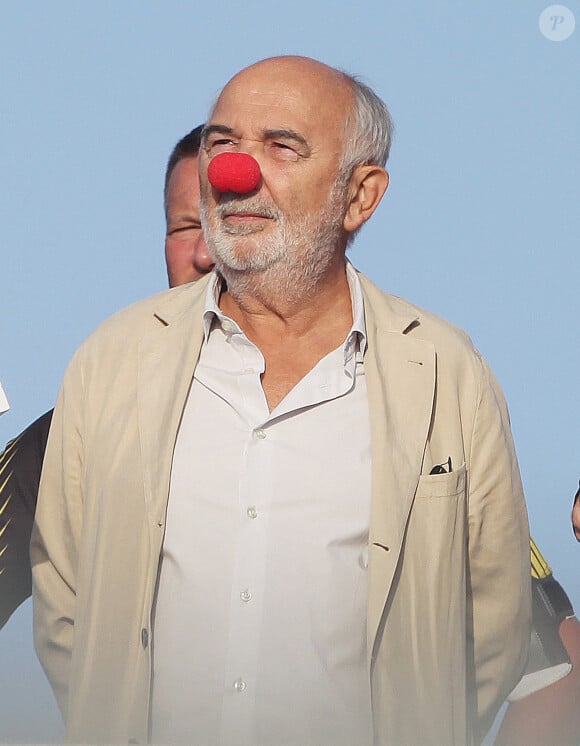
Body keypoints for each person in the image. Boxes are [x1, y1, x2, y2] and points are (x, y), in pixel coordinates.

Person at [31, 56, 531, 745]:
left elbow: (493, 628)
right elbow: (65, 608)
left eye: (281, 145)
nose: (235, 172)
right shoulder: (111, 361)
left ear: (361, 195)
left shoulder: (448, 373)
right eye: (221, 143)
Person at [0, 126, 213, 630]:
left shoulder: (412, 394)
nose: (204, 254)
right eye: (184, 228)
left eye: (232, 224)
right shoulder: (81, 428)